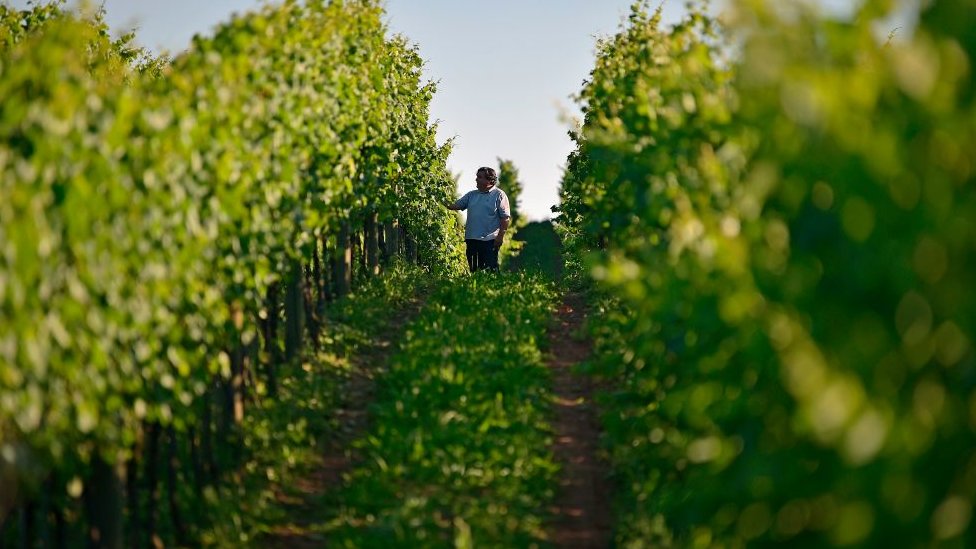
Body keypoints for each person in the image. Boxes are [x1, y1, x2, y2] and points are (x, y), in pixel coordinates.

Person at [443, 166, 511, 272]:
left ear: (489, 180)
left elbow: (505, 218)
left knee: (490, 270)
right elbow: (455, 205)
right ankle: (475, 289)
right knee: (474, 270)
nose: (476, 179)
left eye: (479, 177)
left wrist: (500, 236)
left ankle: (493, 288)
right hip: (472, 239)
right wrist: (440, 197)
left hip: (490, 241)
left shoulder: (499, 195)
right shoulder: (471, 195)